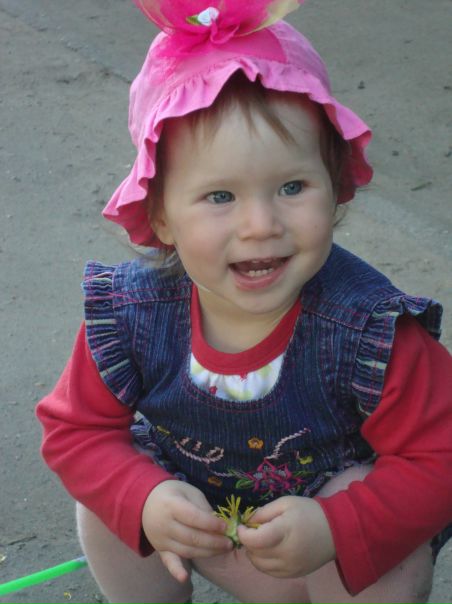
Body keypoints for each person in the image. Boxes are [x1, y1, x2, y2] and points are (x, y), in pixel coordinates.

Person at [36, 1, 452, 603]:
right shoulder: (131, 314)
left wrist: (338, 525)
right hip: (199, 532)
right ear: (161, 216)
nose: (261, 225)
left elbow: (441, 456)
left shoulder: (371, 329)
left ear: (335, 184)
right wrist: (143, 498)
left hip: (327, 559)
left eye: (292, 186)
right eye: (220, 196)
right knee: (110, 497)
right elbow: (75, 430)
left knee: (380, 533)